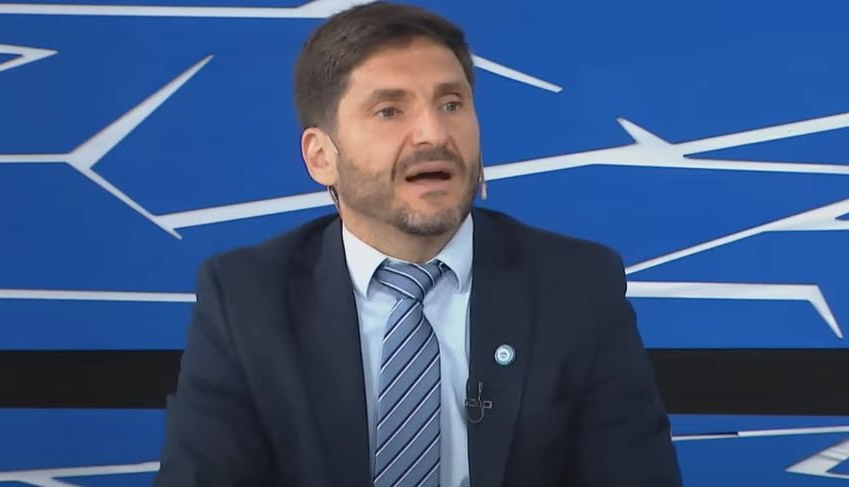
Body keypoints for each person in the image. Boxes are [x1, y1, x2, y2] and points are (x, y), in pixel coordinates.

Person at [153, 2, 682, 486]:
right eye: (390, 111)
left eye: (452, 103)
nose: (434, 134)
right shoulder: (247, 299)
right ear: (321, 157)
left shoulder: (576, 287)